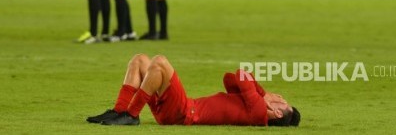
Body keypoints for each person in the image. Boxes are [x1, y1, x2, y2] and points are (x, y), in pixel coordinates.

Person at [86, 54, 301, 127]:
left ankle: (131, 115)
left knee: (159, 61)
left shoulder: (259, 113)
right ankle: (120, 111)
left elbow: (242, 74)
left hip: (183, 113)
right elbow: (230, 79)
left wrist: (264, 95)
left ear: (279, 112)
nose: (280, 97)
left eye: (283, 101)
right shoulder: (251, 105)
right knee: (140, 60)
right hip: (178, 110)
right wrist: (262, 95)